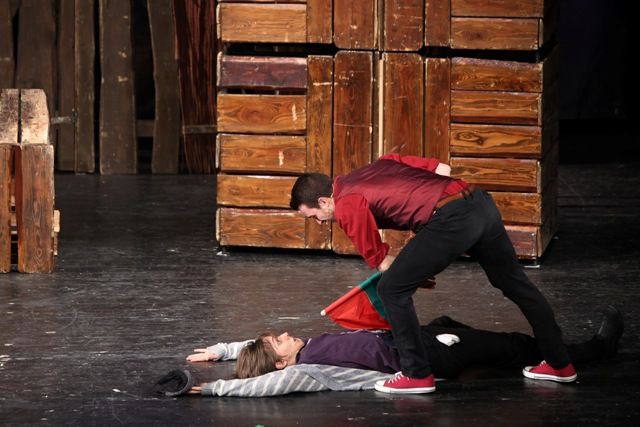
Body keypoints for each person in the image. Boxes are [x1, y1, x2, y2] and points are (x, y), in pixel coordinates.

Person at [289, 154, 577, 393]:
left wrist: (403, 270)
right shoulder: (379, 164)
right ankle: (560, 364)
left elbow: (381, 260)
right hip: (480, 203)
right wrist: (414, 268)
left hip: (451, 218)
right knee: (515, 284)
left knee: (391, 289)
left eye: (314, 216)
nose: (320, 222)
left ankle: (416, 374)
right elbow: (441, 169)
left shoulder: (346, 202)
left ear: (324, 201)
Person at [183, 307, 623, 396]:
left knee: (458, 326)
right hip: (425, 357)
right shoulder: (311, 368)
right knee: (516, 345)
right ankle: (594, 350)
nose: (284, 333)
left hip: (418, 338)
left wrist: (223, 350)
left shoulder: (309, 348)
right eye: (278, 341)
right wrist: (214, 388)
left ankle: (497, 360)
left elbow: (259, 351)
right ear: (282, 362)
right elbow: (267, 383)